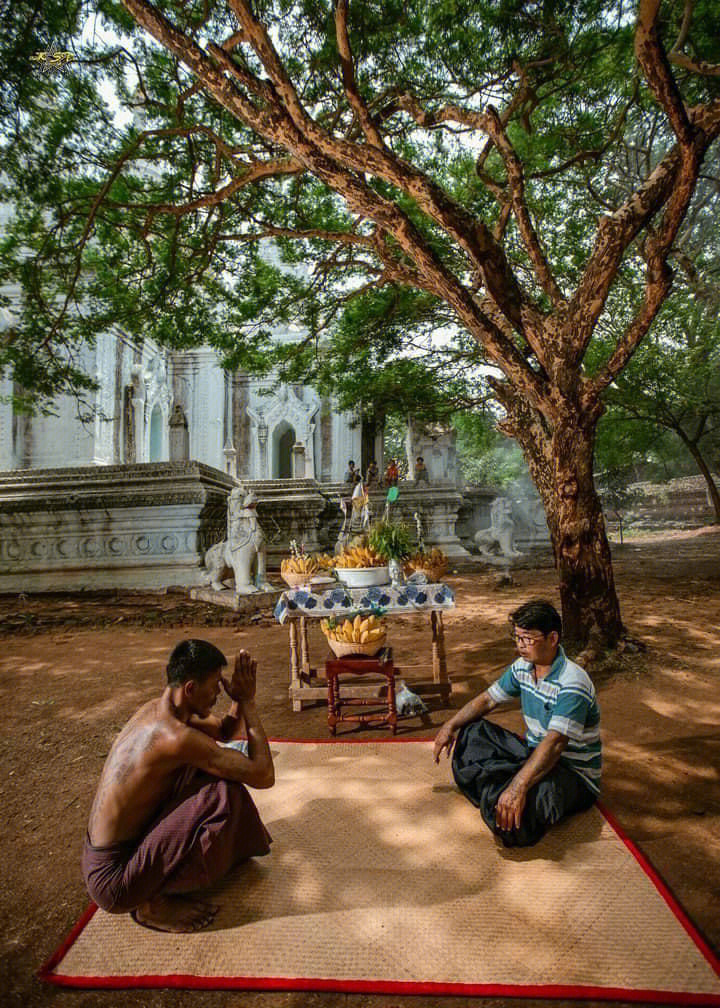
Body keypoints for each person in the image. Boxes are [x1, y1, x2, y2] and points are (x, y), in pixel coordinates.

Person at [82, 640, 275, 932]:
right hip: (114, 882)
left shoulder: (157, 709)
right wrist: (248, 702)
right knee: (221, 793)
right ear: (189, 689)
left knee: (209, 774)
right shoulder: (175, 738)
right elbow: (263, 775)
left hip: (102, 858)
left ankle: (156, 880)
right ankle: (152, 903)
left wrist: (236, 701)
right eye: (214, 686)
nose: (218, 694)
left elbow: (224, 730)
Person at [433, 600, 600, 847]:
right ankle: (502, 790)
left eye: (528, 639)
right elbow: (488, 699)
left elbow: (555, 744)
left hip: (572, 773)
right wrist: (450, 725)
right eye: (517, 638)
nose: (520, 646)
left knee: (515, 826)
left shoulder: (572, 682)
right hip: (533, 754)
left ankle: (502, 789)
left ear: (552, 638)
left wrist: (518, 786)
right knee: (472, 730)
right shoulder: (522, 667)